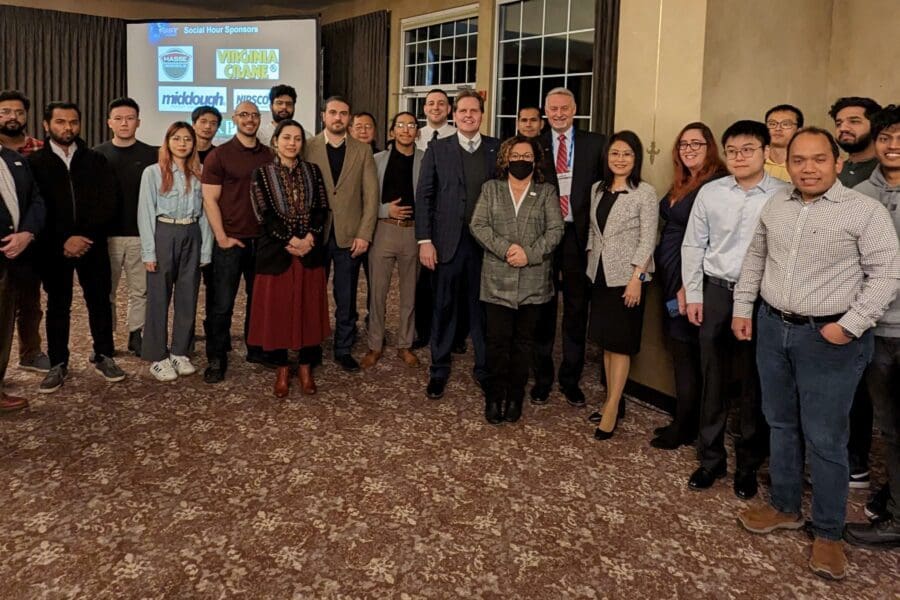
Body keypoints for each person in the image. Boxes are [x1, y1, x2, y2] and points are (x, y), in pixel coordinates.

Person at [734, 127, 899, 580]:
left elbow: (887, 273)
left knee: (826, 438)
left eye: (818, 159)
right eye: (800, 160)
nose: (808, 168)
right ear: (788, 164)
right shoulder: (777, 204)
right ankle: (786, 506)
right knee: (781, 423)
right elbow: (756, 258)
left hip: (829, 340)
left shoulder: (863, 211)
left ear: (837, 162)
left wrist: (850, 325)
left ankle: (828, 531)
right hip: (773, 328)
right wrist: (743, 308)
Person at [682, 120, 789, 500]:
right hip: (715, 292)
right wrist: (694, 294)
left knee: (752, 383)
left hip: (761, 298)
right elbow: (694, 245)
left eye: (748, 149)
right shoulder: (711, 193)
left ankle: (747, 464)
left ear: (765, 152)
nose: (739, 157)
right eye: (732, 151)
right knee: (712, 376)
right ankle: (710, 459)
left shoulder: (783, 194)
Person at [28, 101, 125, 393]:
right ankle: (58, 362)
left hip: (91, 245)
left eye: (73, 122)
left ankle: (104, 354)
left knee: (99, 300)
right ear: (47, 125)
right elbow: (36, 207)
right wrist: (63, 240)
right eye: (60, 122)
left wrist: (83, 235)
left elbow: (109, 201)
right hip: (53, 248)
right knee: (58, 305)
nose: (67, 127)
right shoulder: (35, 163)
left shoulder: (95, 159)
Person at [470, 135, 563, 423]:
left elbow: (555, 230)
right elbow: (478, 224)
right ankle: (494, 396)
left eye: (527, 157)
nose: (521, 161)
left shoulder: (545, 192)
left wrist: (530, 254)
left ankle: (515, 397)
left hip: (533, 280)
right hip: (497, 278)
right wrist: (506, 249)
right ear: (505, 159)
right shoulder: (491, 189)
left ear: (535, 162)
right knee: (497, 343)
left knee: (523, 344)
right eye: (515, 155)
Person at [416, 89, 500, 399]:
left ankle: (484, 369)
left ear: (481, 114)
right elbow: (424, 196)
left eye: (474, 111)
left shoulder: (496, 149)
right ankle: (438, 369)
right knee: (443, 306)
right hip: (446, 243)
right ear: (454, 114)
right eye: (463, 110)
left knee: (482, 310)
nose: (468, 115)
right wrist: (425, 240)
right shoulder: (438, 150)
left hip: (485, 245)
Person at [650, 122, 727, 450]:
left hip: (691, 281)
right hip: (670, 276)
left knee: (690, 353)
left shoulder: (717, 184)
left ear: (710, 146)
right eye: (683, 144)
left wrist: (688, 286)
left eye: (697, 143)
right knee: (679, 351)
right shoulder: (684, 181)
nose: (689, 149)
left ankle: (688, 426)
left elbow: (714, 239)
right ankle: (686, 419)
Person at [844, 105, 900, 549]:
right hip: (874, 327)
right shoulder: (861, 193)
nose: (893, 145)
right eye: (886, 138)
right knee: (889, 424)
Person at [532, 87, 606, 407]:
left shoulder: (596, 144)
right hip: (545, 238)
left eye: (565, 108)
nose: (559, 113)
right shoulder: (534, 146)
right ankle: (542, 378)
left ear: (575, 109)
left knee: (576, 310)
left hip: (578, 238)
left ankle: (570, 378)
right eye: (553, 109)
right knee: (543, 309)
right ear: (545, 112)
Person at [247, 120, 330, 397]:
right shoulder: (261, 173)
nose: (292, 143)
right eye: (286, 138)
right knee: (279, 312)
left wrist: (309, 239)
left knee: (308, 309)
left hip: (309, 252)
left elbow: (321, 208)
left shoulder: (313, 171)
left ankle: (306, 366)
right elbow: (263, 213)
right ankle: (282, 368)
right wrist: (290, 240)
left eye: (297, 138)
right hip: (276, 254)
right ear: (275, 141)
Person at [584, 131, 657, 439]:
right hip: (599, 275)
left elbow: (648, 238)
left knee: (621, 343)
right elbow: (593, 230)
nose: (620, 159)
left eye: (627, 154)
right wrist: (590, 259)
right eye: (615, 153)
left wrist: (636, 279)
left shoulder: (644, 193)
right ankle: (611, 398)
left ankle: (612, 407)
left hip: (627, 279)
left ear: (636, 158)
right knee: (606, 342)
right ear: (607, 156)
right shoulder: (597, 190)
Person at [830, 97, 884, 490]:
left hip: (873, 303)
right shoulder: (839, 170)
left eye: (854, 120)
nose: (844, 127)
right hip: (831, 296)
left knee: (863, 389)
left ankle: (856, 462)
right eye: (839, 122)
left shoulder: (879, 175)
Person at [201, 101, 274, 383]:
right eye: (244, 115)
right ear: (235, 119)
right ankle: (216, 357)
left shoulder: (269, 155)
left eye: (255, 115)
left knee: (259, 301)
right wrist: (222, 238)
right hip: (230, 241)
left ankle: (256, 349)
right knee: (221, 304)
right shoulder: (219, 156)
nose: (250, 119)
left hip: (262, 242)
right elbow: (210, 199)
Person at [305, 96, 378, 372]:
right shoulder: (308, 147)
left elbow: (371, 197)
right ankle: (311, 345)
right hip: (315, 234)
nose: (338, 118)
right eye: (333, 112)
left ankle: (343, 348)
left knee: (346, 296)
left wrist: (365, 234)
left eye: (343, 113)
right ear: (324, 116)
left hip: (350, 236)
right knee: (313, 293)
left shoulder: (362, 150)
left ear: (349, 118)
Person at [137, 122, 212, 381]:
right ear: (167, 141)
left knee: (188, 295)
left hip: (191, 233)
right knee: (158, 296)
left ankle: (180, 350)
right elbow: (145, 213)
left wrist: (205, 250)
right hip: (164, 233)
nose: (182, 143)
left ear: (194, 144)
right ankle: (157, 355)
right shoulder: (153, 172)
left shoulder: (200, 172)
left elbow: (205, 214)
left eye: (187, 139)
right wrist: (149, 252)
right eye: (177, 138)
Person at [94, 97, 158, 357]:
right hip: (105, 237)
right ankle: (105, 340)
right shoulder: (97, 154)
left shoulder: (152, 154)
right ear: (109, 122)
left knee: (139, 291)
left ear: (138, 122)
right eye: (118, 118)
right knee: (104, 292)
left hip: (140, 236)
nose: (124, 123)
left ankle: (136, 335)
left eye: (130, 118)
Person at [361, 112, 423, 369]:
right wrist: (386, 210)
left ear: (417, 132)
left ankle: (405, 344)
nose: (406, 130)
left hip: (414, 233)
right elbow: (363, 199)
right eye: (400, 125)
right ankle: (375, 344)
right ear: (392, 132)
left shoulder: (426, 160)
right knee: (377, 292)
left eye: (411, 125)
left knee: (410, 293)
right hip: (383, 229)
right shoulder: (376, 160)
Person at [0, 90, 49, 374]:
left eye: (18, 112)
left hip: (32, 240)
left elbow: (38, 197)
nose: (12, 117)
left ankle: (30, 351)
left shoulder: (39, 149)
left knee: (30, 300)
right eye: (5, 112)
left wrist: (29, 232)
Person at [0, 136, 44, 410]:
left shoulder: (13, 158)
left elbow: (36, 200)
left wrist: (27, 233)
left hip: (14, 255)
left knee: (3, 323)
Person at [413, 89, 457, 351]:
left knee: (448, 281)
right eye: (431, 103)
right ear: (425, 108)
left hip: (446, 219)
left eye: (442, 103)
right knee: (421, 282)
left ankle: (452, 333)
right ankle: (423, 330)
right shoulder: (415, 135)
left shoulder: (457, 136)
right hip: (421, 214)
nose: (436, 107)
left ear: (449, 109)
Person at [830, 96, 882, 187]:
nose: (843, 128)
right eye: (838, 124)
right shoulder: (832, 170)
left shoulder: (887, 171)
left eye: (854, 122)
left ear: (875, 126)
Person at [764, 104, 803, 183]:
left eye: (786, 124)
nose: (778, 128)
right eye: (772, 124)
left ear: (799, 131)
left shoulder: (805, 166)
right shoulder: (755, 162)